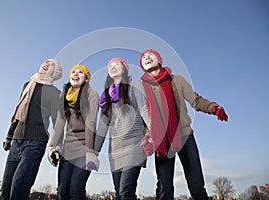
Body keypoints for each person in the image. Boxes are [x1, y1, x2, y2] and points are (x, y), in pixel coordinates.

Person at [139, 49, 228, 200]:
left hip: (184, 136)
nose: (147, 57)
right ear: (142, 65)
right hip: (161, 141)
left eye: (150, 55)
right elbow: (143, 117)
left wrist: (214, 108)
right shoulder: (141, 89)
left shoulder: (177, 80)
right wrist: (146, 137)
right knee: (164, 187)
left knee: (196, 184)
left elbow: (196, 100)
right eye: (143, 57)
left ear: (159, 60)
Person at [1, 59, 63, 200]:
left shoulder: (54, 92)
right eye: (46, 61)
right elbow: (18, 111)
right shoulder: (27, 85)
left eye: (52, 64)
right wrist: (9, 135)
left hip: (35, 142)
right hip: (16, 141)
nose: (46, 63)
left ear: (55, 72)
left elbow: (58, 121)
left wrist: (55, 146)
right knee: (6, 187)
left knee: (19, 187)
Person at [94, 58, 150, 200]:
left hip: (134, 145)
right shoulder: (106, 96)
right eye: (110, 66)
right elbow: (102, 127)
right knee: (119, 194)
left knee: (126, 192)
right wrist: (93, 151)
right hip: (115, 151)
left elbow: (144, 109)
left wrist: (153, 133)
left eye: (117, 64)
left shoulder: (134, 85)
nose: (113, 67)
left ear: (125, 68)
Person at [48, 64, 99, 200]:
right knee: (62, 189)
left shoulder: (92, 94)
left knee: (76, 186)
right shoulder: (64, 95)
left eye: (80, 72)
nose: (76, 74)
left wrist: (89, 152)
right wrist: (52, 146)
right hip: (68, 149)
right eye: (73, 72)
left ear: (86, 78)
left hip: (84, 148)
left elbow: (91, 123)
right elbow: (59, 122)